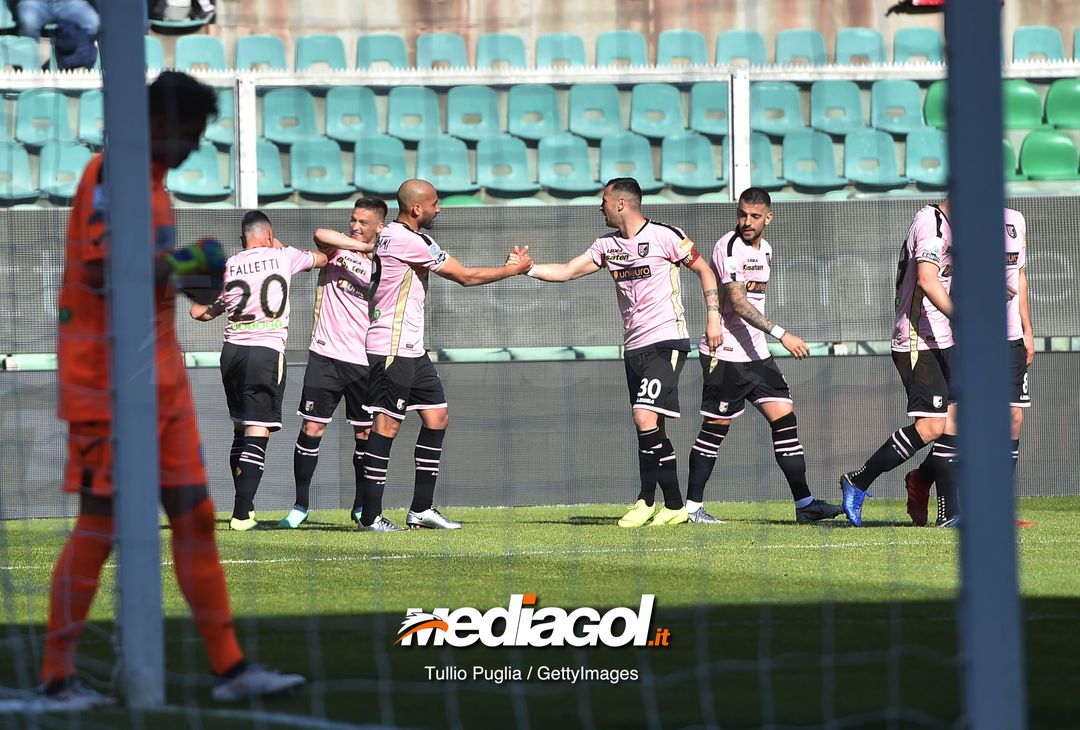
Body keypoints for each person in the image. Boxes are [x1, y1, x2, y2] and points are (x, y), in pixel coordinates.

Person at [46, 71, 303, 706]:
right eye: (187, 133)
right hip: (104, 382)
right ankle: (57, 676)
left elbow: (149, 273)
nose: (193, 146)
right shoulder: (112, 175)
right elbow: (107, 269)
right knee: (101, 523)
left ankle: (231, 669)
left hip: (157, 378)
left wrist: (186, 273)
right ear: (157, 126)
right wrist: (193, 265)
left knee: (195, 516)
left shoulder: (154, 186)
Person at [521, 177, 723, 527]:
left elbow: (705, 270)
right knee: (651, 427)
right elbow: (569, 271)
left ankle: (674, 505)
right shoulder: (606, 245)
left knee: (643, 417)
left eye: (604, 200)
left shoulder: (665, 236)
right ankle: (646, 501)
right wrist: (529, 268)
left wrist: (713, 317)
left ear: (620, 203)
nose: (599, 206)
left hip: (666, 341)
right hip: (633, 347)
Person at [357, 179, 533, 532]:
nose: (439, 209)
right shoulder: (410, 240)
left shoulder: (389, 233)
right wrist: (512, 270)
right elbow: (465, 277)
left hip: (410, 348)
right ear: (417, 208)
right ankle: (369, 516)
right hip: (393, 347)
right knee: (387, 425)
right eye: (435, 203)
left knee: (437, 417)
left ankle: (421, 509)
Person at [191, 210, 357, 531]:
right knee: (259, 428)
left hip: (232, 352)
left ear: (243, 239)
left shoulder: (229, 266)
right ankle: (242, 514)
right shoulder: (284, 257)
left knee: (240, 427)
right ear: (268, 235)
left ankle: (243, 509)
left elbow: (204, 313)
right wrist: (279, 245)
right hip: (265, 350)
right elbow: (323, 259)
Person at [687, 188, 843, 524]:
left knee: (784, 419)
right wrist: (782, 334)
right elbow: (740, 304)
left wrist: (768, 339)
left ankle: (805, 505)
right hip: (725, 353)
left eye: (754, 216)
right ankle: (691, 508)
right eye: (742, 214)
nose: (746, 221)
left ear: (768, 218)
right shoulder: (728, 246)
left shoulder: (767, 250)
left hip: (757, 355)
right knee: (715, 428)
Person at [903, 207, 1033, 526]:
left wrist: (1028, 329)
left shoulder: (1015, 220)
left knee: (1012, 417)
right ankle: (926, 483)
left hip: (1010, 336)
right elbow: (947, 281)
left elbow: (1018, 274)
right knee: (962, 427)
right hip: (972, 336)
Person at [841, 199, 956, 527]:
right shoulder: (931, 223)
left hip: (947, 339)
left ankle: (947, 509)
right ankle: (859, 480)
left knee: (961, 424)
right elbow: (926, 279)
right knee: (932, 426)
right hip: (918, 340)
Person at [280, 198, 386, 529]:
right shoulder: (337, 249)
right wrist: (359, 243)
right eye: (353, 219)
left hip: (365, 360)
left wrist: (373, 252)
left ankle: (359, 506)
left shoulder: (385, 262)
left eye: (363, 222)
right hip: (325, 354)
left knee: (365, 434)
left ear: (380, 226)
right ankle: (300, 506)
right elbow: (320, 233)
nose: (355, 225)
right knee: (312, 427)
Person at [17, 0, 99, 41]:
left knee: (92, 22)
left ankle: (77, 58)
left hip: (68, 3)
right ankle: (33, 64)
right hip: (37, 3)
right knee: (28, 23)